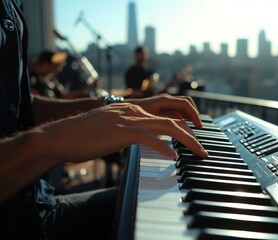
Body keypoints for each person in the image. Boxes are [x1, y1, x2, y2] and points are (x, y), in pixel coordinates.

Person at [0, 0, 208, 239]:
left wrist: (110, 106)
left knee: (174, 206)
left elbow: (24, 105)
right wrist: (50, 140)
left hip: (35, 205)